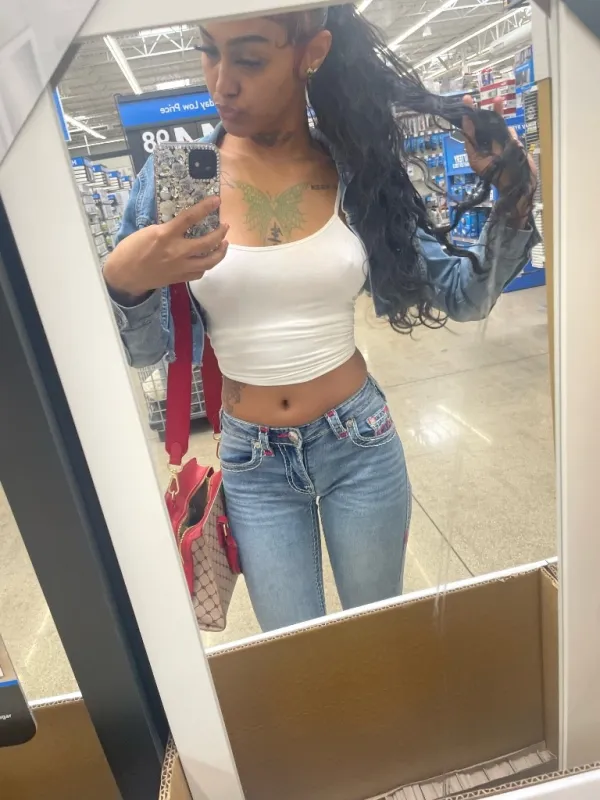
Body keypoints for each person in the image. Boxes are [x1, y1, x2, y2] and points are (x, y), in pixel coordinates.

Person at [104, 5, 538, 632]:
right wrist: (125, 283)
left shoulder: (355, 172)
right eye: (209, 51)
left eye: (249, 58)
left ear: (312, 53)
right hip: (252, 464)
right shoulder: (173, 185)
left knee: (378, 633)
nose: (222, 82)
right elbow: (148, 352)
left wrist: (515, 195)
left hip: (358, 442)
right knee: (294, 651)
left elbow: (464, 295)